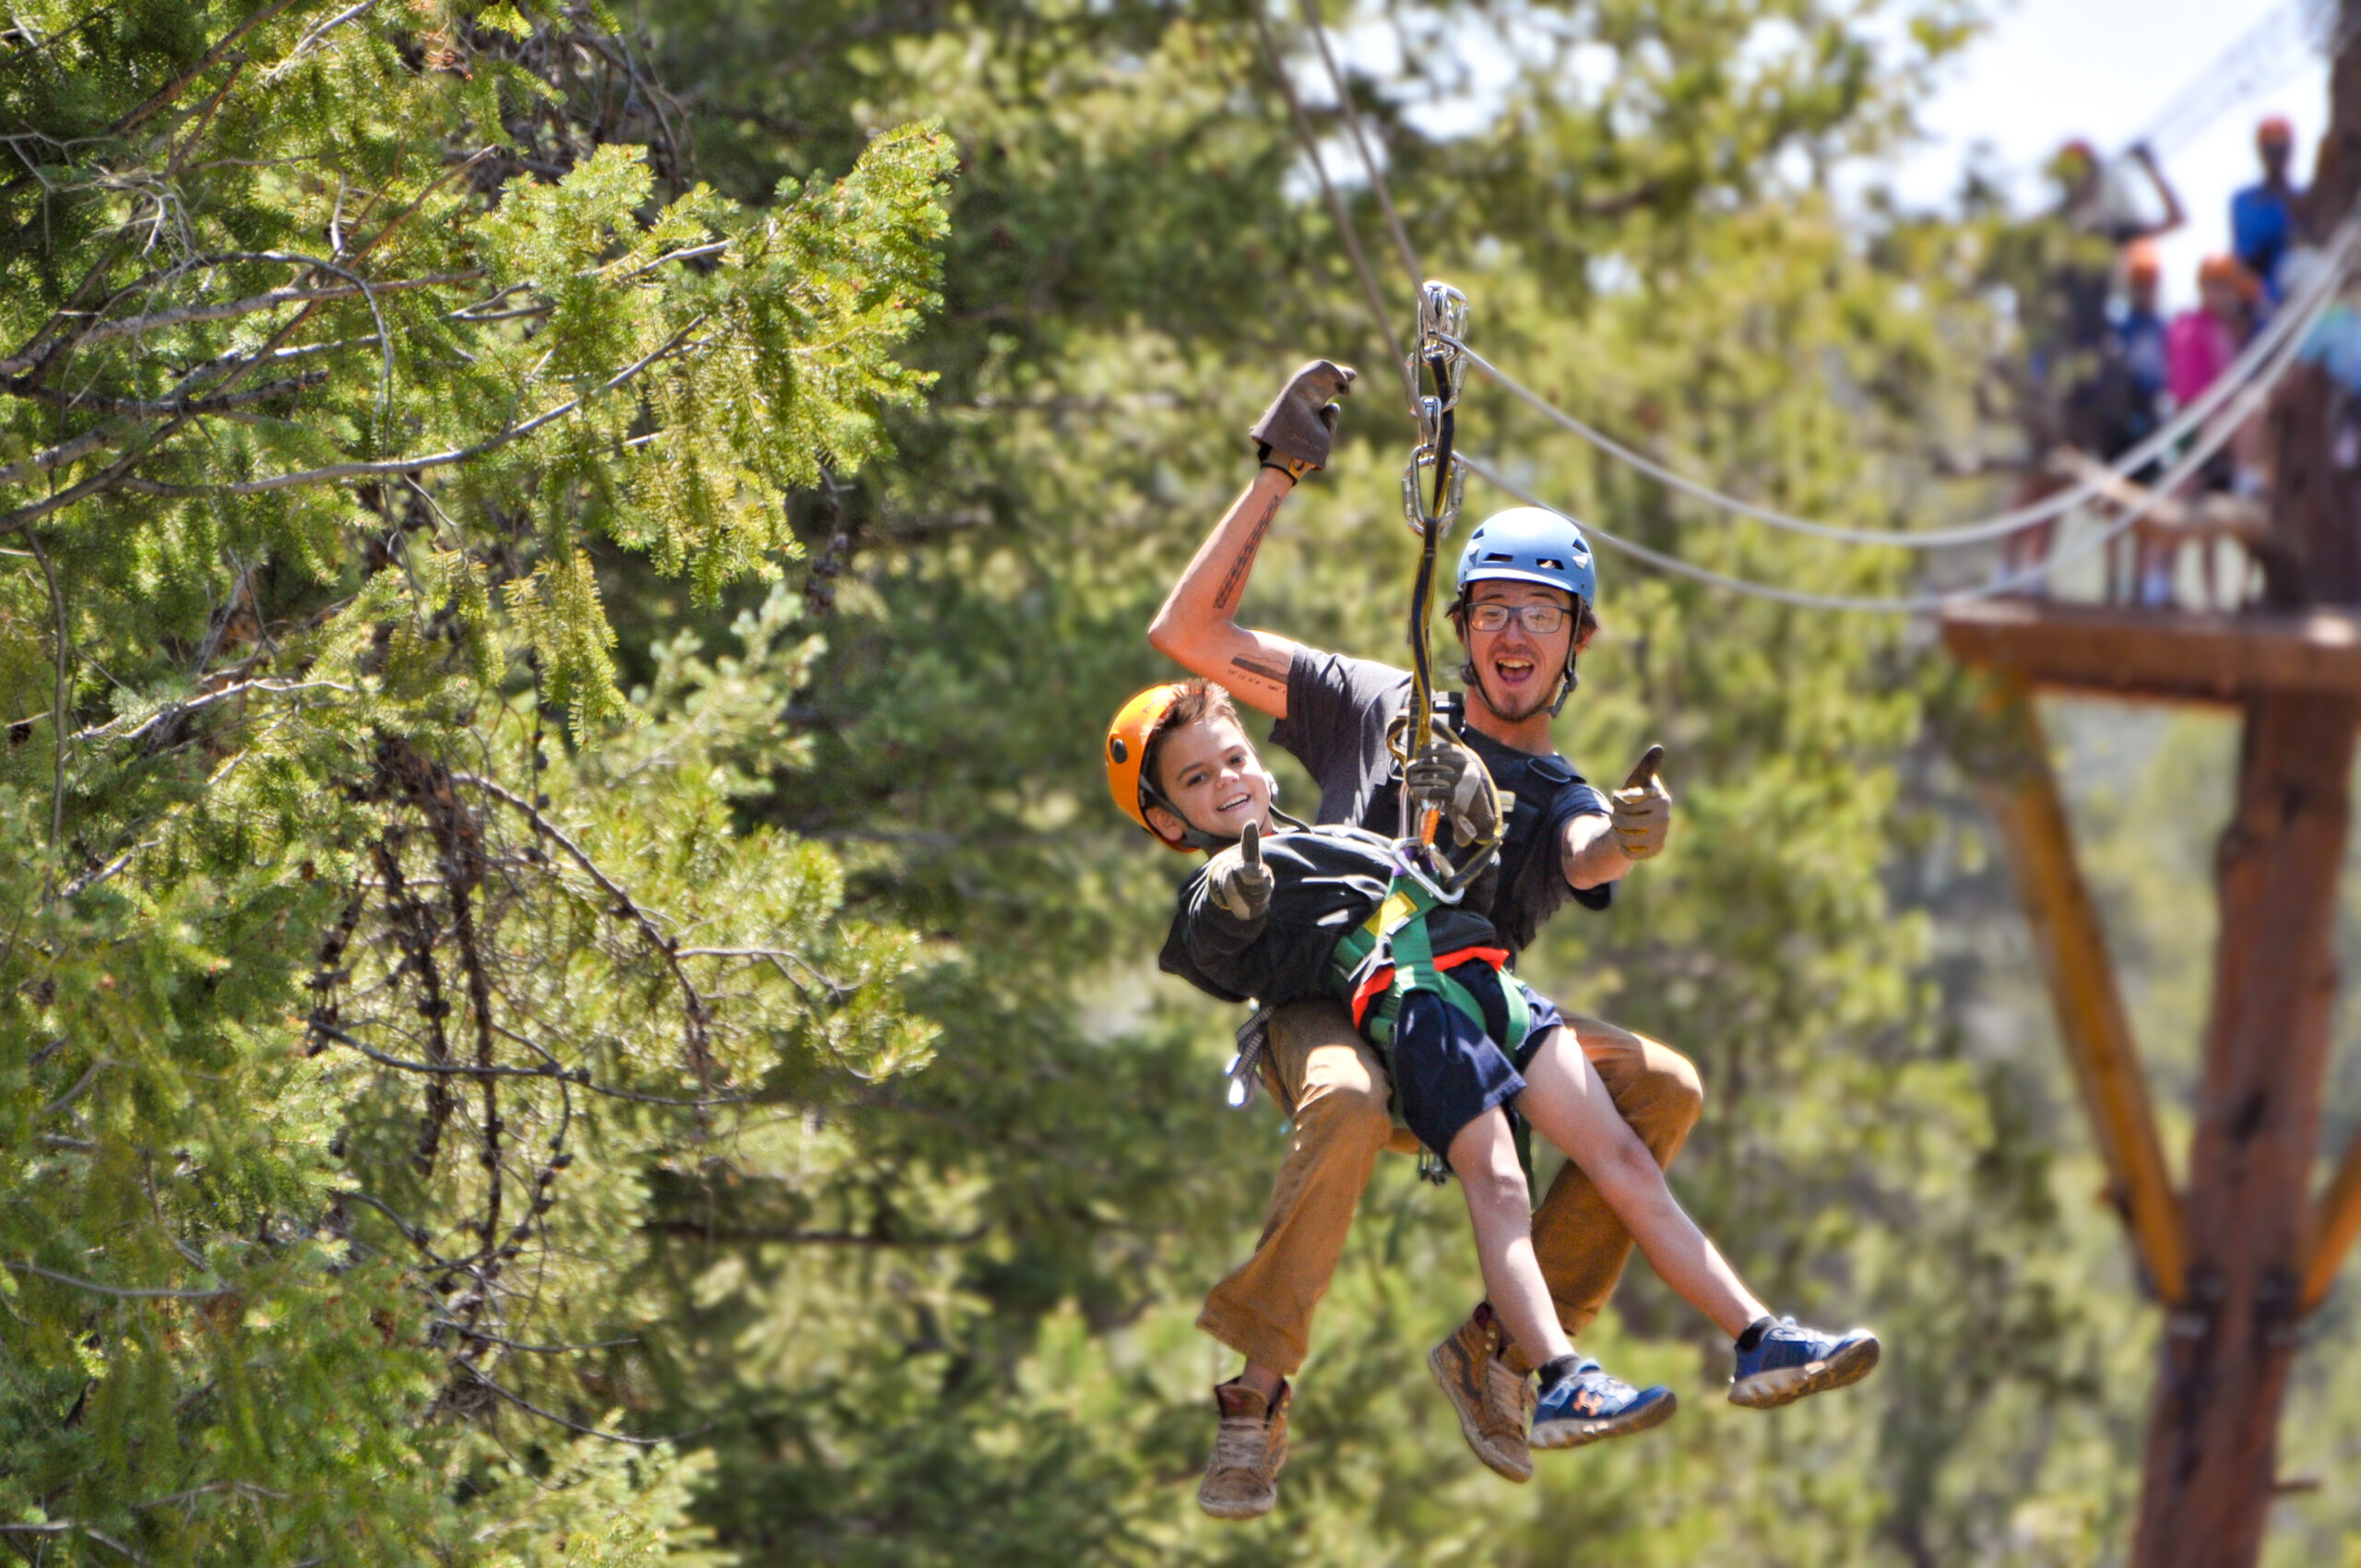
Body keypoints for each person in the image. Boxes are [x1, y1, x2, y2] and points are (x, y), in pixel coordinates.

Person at [1145, 361, 1740, 1517]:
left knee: (1660, 1086)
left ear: (1574, 643)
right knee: (1347, 1100)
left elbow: (1581, 853)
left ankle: (1509, 1354)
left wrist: (1631, 836)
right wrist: (1276, 475)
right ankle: (1254, 1401)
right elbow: (1190, 631)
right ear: (1462, 627)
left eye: (1543, 614)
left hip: (1462, 1013)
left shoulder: (1556, 783)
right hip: (1332, 992)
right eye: (1495, 611)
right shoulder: (1375, 701)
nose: (1516, 633)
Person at [1109, 677, 1880, 1512]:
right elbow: (1210, 945)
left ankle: (1759, 1336)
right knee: (1493, 1177)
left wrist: (1476, 822)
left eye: (1235, 759)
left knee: (1622, 1146)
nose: (1229, 781)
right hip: (1411, 1003)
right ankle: (1552, 1374)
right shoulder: (1232, 878)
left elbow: (1459, 885)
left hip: (1485, 979)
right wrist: (1232, 900)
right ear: (1167, 822)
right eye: (1197, 781)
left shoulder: (1339, 837)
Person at [1999, 138, 2186, 590]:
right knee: (2041, 468)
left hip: (2097, 372)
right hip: (2056, 369)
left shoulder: (2106, 229)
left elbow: (2175, 220)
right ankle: (2009, 566)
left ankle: (2036, 573)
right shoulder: (2046, 230)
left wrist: (2151, 170)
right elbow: (2020, 285)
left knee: (2072, 473)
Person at [2232, 114, 2304, 303]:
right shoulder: (2245, 200)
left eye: (2282, 149)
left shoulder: (2306, 198)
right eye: (2271, 149)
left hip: (2307, 293)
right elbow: (2247, 257)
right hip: (2262, 298)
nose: (2277, 156)